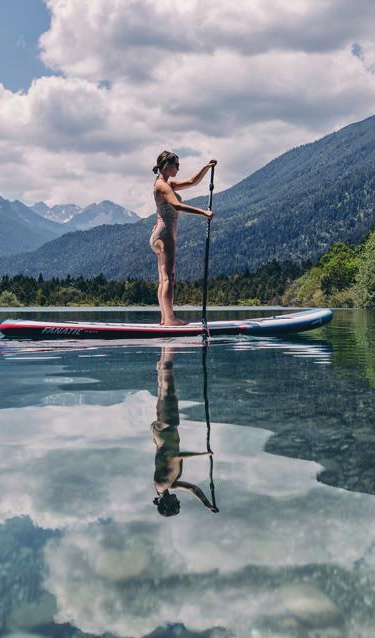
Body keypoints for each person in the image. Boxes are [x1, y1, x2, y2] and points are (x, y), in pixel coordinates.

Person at [152, 345, 218, 516]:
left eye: (177, 505)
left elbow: (174, 457)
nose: (178, 501)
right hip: (163, 431)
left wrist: (205, 454)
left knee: (168, 386)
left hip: (166, 430)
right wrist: (206, 504)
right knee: (164, 388)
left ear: (167, 503)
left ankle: (168, 346)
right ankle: (164, 353)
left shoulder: (164, 483)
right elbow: (192, 488)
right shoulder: (166, 486)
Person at [151, 151, 216, 326]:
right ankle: (170, 319)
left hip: (159, 234)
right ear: (166, 165)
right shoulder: (162, 186)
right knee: (168, 279)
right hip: (165, 236)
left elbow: (191, 182)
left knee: (163, 279)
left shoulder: (166, 183)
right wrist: (204, 212)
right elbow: (177, 206)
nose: (179, 168)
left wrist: (206, 168)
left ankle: (165, 319)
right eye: (176, 165)